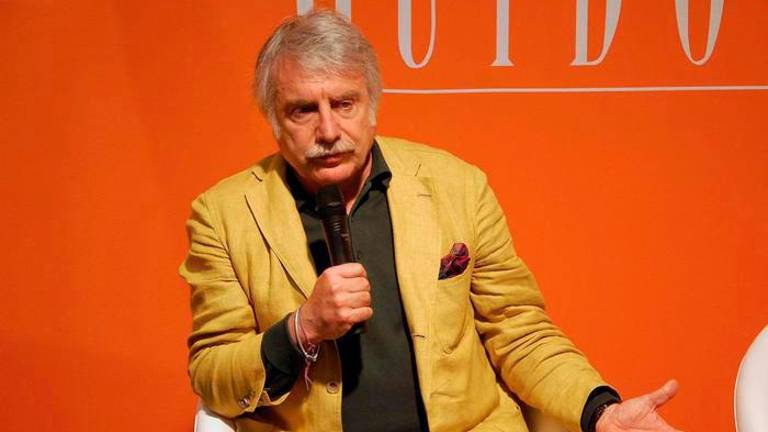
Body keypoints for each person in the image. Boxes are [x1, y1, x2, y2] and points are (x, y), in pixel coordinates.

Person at [180, 10, 681, 432]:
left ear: (372, 106)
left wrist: (601, 411)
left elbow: (518, 330)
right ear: (273, 119)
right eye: (303, 110)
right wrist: (302, 327)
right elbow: (213, 373)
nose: (328, 130)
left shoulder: (456, 185)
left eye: (344, 104)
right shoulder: (223, 215)